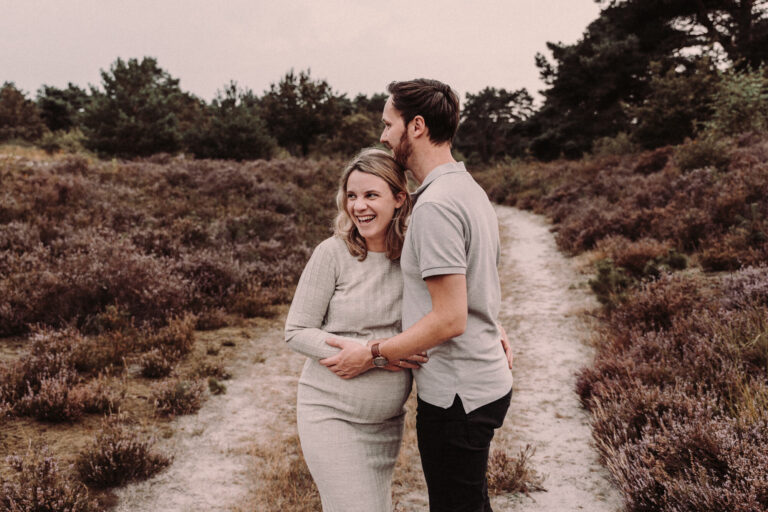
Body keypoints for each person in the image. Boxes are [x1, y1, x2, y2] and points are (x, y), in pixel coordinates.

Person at [321, 79, 514, 512]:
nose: (384, 135)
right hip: (479, 383)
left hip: (457, 394)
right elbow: (473, 285)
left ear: (417, 126)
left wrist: (372, 353)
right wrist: (491, 326)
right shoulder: (467, 190)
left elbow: (449, 318)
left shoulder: (436, 206)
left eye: (389, 124)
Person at [284, 148, 427, 512]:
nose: (359, 206)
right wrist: (374, 354)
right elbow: (297, 330)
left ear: (399, 199)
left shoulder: (413, 255)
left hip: (386, 423)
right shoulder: (332, 254)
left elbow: (450, 305)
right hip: (330, 413)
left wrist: (495, 327)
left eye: (370, 195)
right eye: (352, 196)